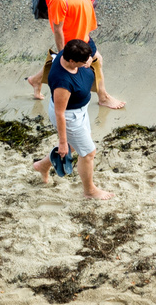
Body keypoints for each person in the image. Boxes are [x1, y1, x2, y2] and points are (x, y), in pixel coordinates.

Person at [25, 0, 125, 110]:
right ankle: (104, 97)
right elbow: (58, 30)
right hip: (76, 37)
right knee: (96, 60)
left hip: (82, 27)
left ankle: (36, 80)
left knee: (73, 60)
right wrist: (64, 54)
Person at [32, 39, 114, 201]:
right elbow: (60, 113)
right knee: (88, 153)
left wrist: (88, 59)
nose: (87, 63)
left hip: (80, 110)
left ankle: (42, 165)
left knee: (77, 146)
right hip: (69, 117)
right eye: (83, 62)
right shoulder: (63, 81)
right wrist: (62, 142)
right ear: (71, 61)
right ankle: (89, 191)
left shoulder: (67, 52)